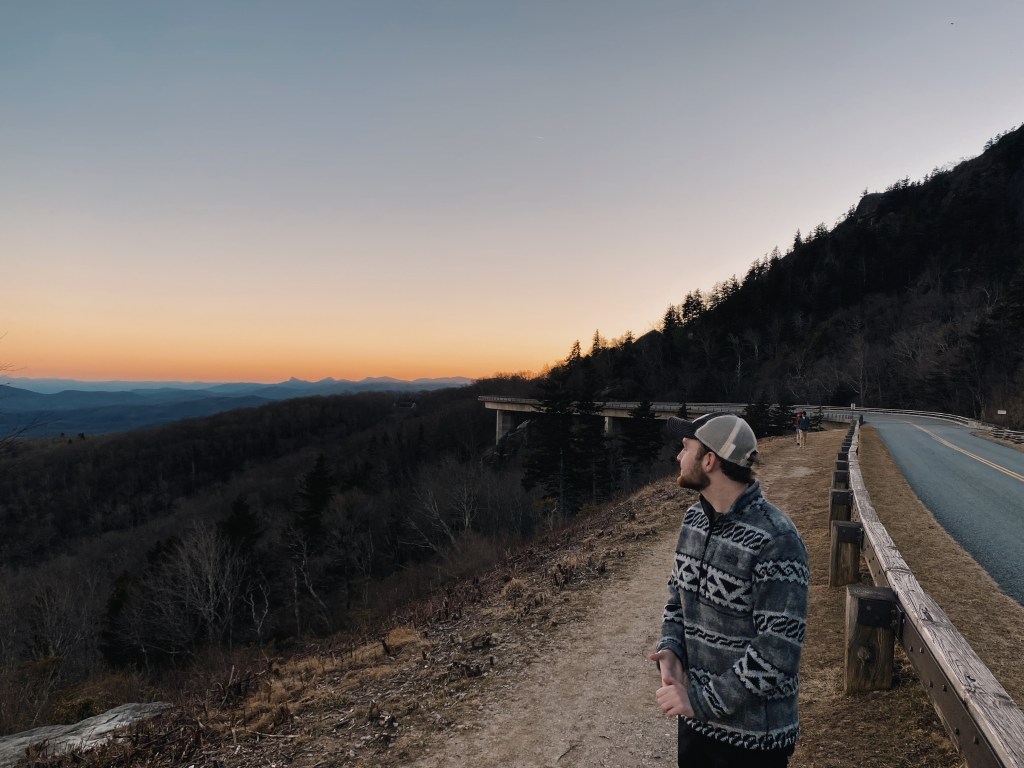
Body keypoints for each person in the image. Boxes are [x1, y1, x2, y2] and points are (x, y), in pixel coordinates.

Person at [649, 413, 809, 767]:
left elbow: (778, 651)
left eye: (686, 447)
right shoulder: (693, 520)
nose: (678, 456)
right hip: (697, 726)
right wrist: (671, 650)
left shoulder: (777, 539)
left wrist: (701, 702)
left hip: (754, 740)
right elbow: (677, 599)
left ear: (709, 460)